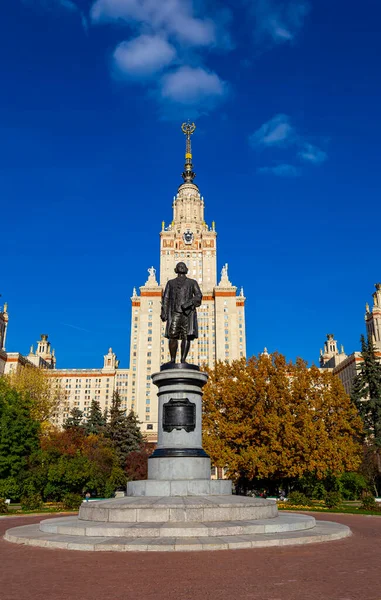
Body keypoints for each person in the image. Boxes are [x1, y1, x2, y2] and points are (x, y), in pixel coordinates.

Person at [161, 262, 202, 364]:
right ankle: (172, 359)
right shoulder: (170, 283)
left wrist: (189, 303)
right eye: (179, 266)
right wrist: (164, 312)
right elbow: (165, 298)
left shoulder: (192, 282)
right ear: (176, 269)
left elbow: (198, 295)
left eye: (183, 266)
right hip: (175, 312)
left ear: (186, 269)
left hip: (187, 314)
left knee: (186, 335)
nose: (181, 267)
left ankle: (183, 360)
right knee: (172, 335)